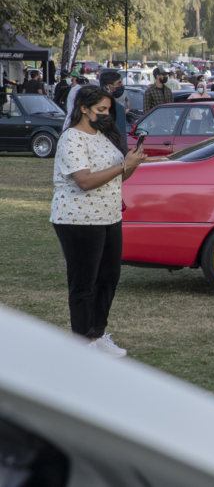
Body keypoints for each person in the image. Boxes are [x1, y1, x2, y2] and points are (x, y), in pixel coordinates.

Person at [51, 85, 146, 356]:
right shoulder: (72, 138)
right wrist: (124, 165)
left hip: (109, 216)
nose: (106, 114)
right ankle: (83, 343)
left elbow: (117, 175)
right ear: (84, 108)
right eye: (100, 109)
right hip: (78, 220)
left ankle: (97, 334)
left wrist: (132, 164)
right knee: (84, 284)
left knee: (108, 279)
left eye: (108, 109)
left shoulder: (103, 135)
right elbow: (84, 181)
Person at [98, 70, 128, 145]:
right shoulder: (118, 108)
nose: (122, 86)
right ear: (109, 87)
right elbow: (121, 137)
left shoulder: (91, 105)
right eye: (119, 83)